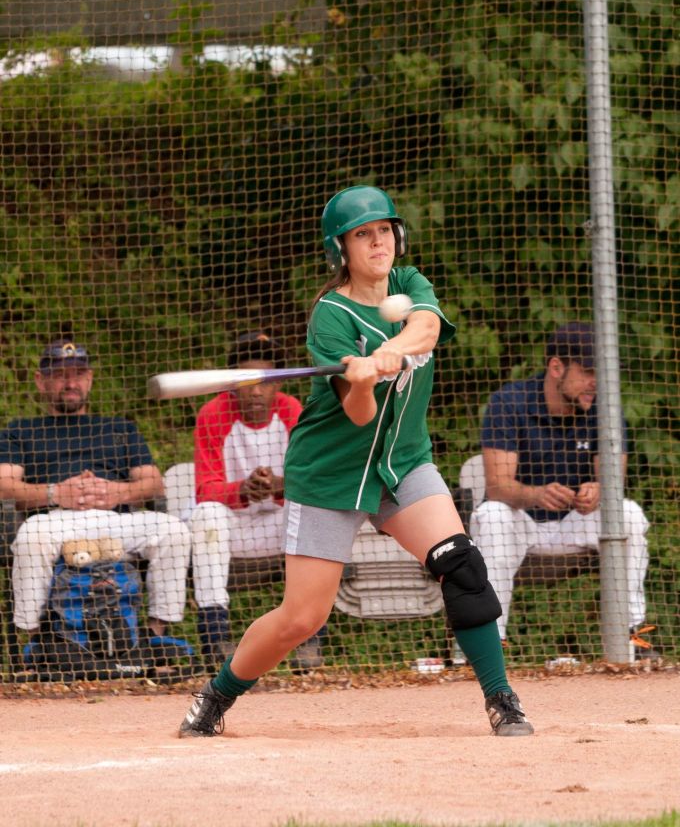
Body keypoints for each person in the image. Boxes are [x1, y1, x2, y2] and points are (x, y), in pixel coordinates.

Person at [178, 185, 534, 738]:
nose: (377, 242)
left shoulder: (410, 284)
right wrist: (362, 378)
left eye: (384, 230)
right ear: (340, 248)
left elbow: (427, 328)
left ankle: (501, 698)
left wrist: (393, 350)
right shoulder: (331, 315)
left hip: (403, 462)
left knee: (461, 563)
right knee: (302, 618)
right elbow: (359, 414)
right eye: (362, 235)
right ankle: (216, 695)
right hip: (332, 473)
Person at [470, 322, 656, 659]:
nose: (596, 382)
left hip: (575, 522)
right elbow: (497, 486)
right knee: (491, 515)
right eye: (588, 371)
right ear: (556, 367)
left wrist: (600, 490)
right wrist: (536, 494)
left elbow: (613, 478)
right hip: (520, 524)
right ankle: (488, 646)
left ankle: (632, 638)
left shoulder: (605, 407)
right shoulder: (509, 402)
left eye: (602, 373)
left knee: (628, 513)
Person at [0, 339, 191, 648]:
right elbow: (5, 486)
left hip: (116, 519)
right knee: (29, 538)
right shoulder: (20, 430)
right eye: (60, 375)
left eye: (78, 374)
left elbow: (154, 484)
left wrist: (118, 492)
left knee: (174, 531)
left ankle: (155, 637)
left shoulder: (119, 428)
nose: (70, 383)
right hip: (55, 521)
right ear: (40, 380)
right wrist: (56, 492)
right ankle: (38, 642)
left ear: (89, 378)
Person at [190, 329, 325, 669]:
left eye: (265, 381)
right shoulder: (213, 413)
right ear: (233, 383)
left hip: (280, 526)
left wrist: (278, 485)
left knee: (310, 507)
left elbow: (312, 479)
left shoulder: (292, 410)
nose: (256, 391)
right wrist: (242, 490)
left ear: (277, 383)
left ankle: (308, 638)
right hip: (232, 528)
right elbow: (205, 489)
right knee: (206, 514)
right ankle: (215, 637)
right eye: (247, 380)